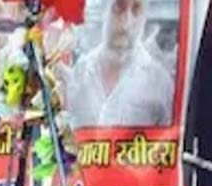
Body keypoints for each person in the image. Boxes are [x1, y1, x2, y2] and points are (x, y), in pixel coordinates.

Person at [67, 0, 175, 128]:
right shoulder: (79, 73)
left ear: (144, 17)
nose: (126, 24)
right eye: (118, 8)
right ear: (104, 12)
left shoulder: (160, 83)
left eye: (136, 10)